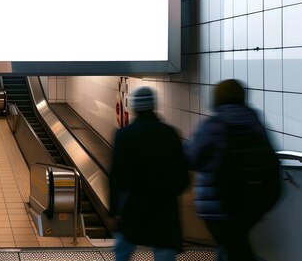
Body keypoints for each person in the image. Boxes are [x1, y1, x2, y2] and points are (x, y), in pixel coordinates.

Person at [185, 79, 280, 261]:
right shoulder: (255, 121)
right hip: (251, 203)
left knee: (235, 249)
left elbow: (192, 156)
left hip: (219, 205)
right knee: (234, 245)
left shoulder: (214, 124)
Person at [110, 86, 189, 261]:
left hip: (133, 207)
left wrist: (114, 210)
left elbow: (116, 177)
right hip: (164, 210)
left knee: (122, 252)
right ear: (153, 106)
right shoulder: (170, 134)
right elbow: (183, 178)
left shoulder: (124, 135)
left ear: (135, 108)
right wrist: (167, 193)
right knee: (164, 254)